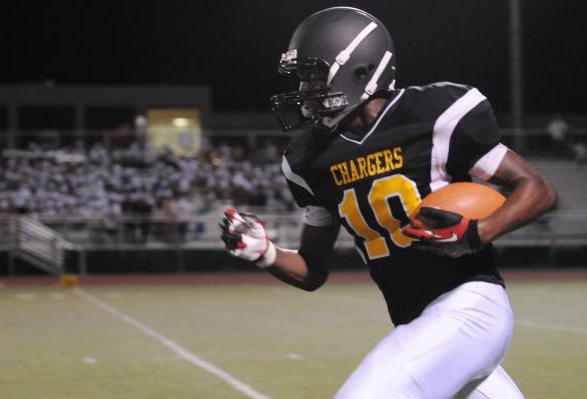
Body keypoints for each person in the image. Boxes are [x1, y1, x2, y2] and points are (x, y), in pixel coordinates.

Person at [221, 7, 557, 398]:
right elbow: (313, 270)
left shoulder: (434, 116)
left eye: (313, 75)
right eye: (302, 78)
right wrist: (265, 252)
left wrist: (478, 232)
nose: (304, 89)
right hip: (418, 323)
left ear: (360, 70)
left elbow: (537, 189)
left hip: (470, 306)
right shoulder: (310, 160)